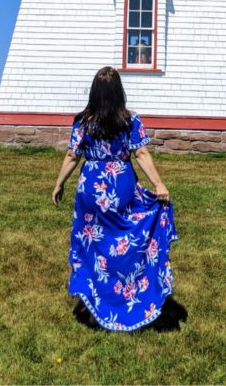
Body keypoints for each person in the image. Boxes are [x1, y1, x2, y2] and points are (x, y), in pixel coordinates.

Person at [52, 66, 178, 332]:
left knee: (92, 248)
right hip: (120, 186)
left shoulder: (83, 122)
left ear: (94, 92)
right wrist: (158, 184)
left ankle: (93, 304)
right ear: (119, 91)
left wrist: (59, 183)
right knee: (123, 242)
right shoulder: (130, 121)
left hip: (91, 190)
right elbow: (141, 154)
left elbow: (73, 156)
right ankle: (128, 296)